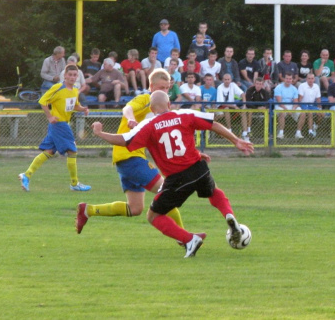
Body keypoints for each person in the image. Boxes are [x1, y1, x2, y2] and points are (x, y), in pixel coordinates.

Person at [90, 90, 254, 258]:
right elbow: (213, 124)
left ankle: (189, 239)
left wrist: (100, 133)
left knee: (154, 216)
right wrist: (236, 140)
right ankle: (229, 215)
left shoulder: (149, 125)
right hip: (198, 168)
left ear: (152, 109)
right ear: (169, 105)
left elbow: (124, 140)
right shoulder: (184, 114)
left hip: (177, 178)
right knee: (214, 192)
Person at [75, 69, 185, 234]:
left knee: (135, 209)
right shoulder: (146, 99)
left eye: (167, 88)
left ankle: (88, 210)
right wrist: (131, 118)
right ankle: (187, 238)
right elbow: (127, 108)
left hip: (128, 158)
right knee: (167, 193)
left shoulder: (160, 110)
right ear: (151, 86)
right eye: (161, 87)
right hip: (130, 156)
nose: (164, 91)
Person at [19, 64, 91, 192]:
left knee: (49, 152)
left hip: (61, 125)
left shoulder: (75, 90)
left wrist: (83, 108)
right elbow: (43, 101)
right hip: (59, 124)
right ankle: (74, 183)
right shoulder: (58, 87)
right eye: (70, 75)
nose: (72, 77)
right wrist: (50, 117)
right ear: (65, 75)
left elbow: (74, 106)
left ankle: (27, 175)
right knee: (72, 151)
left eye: (75, 75)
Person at [216, 73, 247, 138]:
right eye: (225, 79)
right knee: (226, 109)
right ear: (222, 80)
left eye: (228, 79)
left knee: (243, 111)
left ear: (231, 80)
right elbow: (222, 103)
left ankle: (245, 133)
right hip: (221, 107)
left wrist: (244, 105)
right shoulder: (220, 87)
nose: (227, 81)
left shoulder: (233, 85)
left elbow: (242, 94)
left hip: (232, 106)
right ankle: (229, 130)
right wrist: (234, 106)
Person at [274, 73, 301, 139]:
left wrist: (293, 109)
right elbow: (279, 102)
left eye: (290, 79)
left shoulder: (294, 88)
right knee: (282, 112)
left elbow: (296, 102)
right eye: (287, 78)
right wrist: (287, 110)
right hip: (280, 106)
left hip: (291, 106)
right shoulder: (278, 87)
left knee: (302, 113)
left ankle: (298, 133)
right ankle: (281, 133)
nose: (288, 80)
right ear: (284, 79)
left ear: (292, 80)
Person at [296, 73, 322, 138]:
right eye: (309, 78)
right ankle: (310, 131)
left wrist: (320, 108)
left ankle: (315, 126)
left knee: (322, 114)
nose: (310, 80)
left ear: (314, 79)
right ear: (306, 79)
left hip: (311, 105)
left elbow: (318, 99)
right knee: (310, 113)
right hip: (303, 104)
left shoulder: (316, 86)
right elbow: (300, 99)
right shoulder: (302, 86)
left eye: (312, 78)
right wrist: (299, 106)